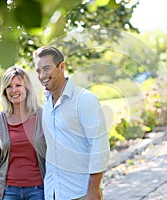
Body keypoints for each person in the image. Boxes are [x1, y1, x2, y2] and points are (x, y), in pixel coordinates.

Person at [33, 46, 110, 200]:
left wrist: (93, 190)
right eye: (38, 71)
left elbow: (99, 146)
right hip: (53, 192)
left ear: (62, 67)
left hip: (80, 192)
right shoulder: (46, 102)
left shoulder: (84, 99)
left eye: (47, 69)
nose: (42, 76)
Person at [0, 66, 46, 200]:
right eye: (9, 87)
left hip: (38, 189)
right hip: (9, 190)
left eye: (18, 85)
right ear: (4, 91)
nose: (14, 90)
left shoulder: (42, 116)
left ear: (27, 88)